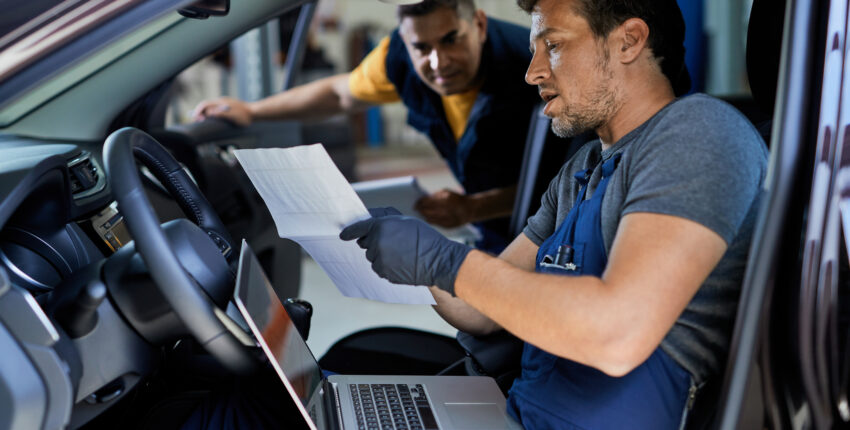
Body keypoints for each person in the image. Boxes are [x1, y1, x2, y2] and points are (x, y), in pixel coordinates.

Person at [340, 0, 769, 428]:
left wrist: (447, 262)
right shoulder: (582, 169)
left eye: (554, 45)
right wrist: (422, 262)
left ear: (629, 41)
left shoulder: (698, 133)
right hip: (520, 414)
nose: (534, 72)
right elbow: (482, 311)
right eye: (534, 50)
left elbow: (618, 333)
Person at [193, 0, 541, 252]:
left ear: (479, 25)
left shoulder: (534, 68)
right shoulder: (398, 56)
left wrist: (473, 208)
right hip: (492, 231)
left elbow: (565, 178)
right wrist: (251, 112)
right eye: (421, 47)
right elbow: (338, 94)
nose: (438, 62)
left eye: (451, 39)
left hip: (550, 229)